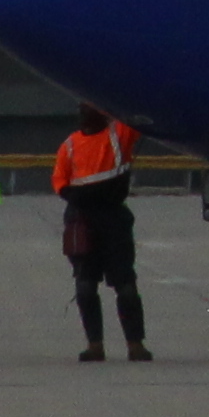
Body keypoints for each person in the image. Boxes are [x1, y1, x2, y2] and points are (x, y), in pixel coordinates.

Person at [52, 108, 150, 362]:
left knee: (123, 285)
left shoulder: (117, 134)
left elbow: (60, 182)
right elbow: (59, 180)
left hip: (107, 217)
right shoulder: (72, 144)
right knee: (88, 286)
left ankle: (131, 345)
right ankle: (101, 345)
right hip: (85, 218)